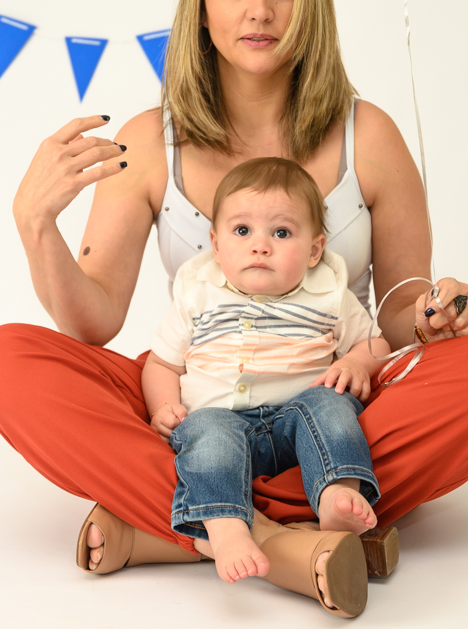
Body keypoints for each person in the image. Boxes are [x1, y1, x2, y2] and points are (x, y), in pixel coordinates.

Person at [0, 0, 468, 618]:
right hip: (202, 408)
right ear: (201, 6)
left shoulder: (369, 136)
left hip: (333, 406)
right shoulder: (149, 142)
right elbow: (91, 322)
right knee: (4, 361)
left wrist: (436, 315)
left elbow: (401, 307)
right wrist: (34, 227)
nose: (260, 10)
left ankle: (181, 524)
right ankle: (305, 533)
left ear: (312, 3)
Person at [146, 157, 390, 604]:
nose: (260, 246)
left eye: (281, 233)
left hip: (298, 424)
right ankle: (226, 527)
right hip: (219, 419)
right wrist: (164, 407)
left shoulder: (327, 291)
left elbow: (375, 344)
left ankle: (337, 493)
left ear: (315, 249)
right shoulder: (199, 292)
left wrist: (357, 364)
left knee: (330, 405)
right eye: (242, 231)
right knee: (207, 433)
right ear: (216, 245)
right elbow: (162, 364)